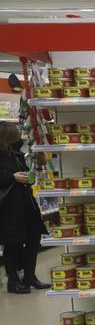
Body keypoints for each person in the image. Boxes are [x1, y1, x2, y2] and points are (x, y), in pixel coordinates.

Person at [0, 122, 49, 294]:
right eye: (15, 132)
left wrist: (29, 177)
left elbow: (25, 172)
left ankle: (30, 276)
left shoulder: (16, 153)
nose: (19, 134)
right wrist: (12, 177)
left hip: (25, 203)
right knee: (12, 243)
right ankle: (13, 281)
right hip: (8, 208)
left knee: (33, 237)